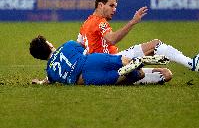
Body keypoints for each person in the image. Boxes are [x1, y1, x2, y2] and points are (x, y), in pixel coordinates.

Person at [77, 0, 199, 85]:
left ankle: (125, 76)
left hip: (102, 69)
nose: (114, 9)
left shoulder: (85, 24)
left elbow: (79, 47)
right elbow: (112, 39)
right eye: (111, 5)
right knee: (155, 44)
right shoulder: (100, 22)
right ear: (100, 5)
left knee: (166, 74)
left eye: (115, 6)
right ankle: (192, 64)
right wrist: (132, 22)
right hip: (112, 61)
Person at [30, 35, 172, 85]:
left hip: (86, 78)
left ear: (39, 57)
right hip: (91, 60)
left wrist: (40, 82)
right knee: (123, 60)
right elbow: (85, 49)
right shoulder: (68, 45)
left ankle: (132, 70)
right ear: (50, 45)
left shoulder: (50, 72)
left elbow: (47, 81)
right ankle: (140, 60)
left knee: (136, 75)